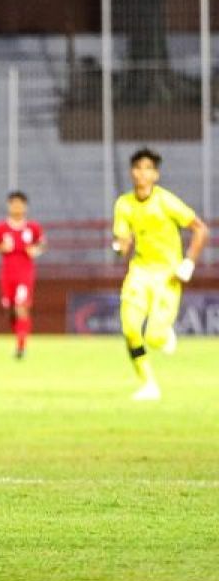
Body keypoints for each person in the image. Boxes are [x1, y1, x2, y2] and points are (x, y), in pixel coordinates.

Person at [111, 147, 209, 401]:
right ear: (131, 173)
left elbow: (200, 229)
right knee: (130, 328)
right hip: (140, 271)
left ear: (155, 174)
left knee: (153, 337)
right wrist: (120, 247)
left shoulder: (165, 201)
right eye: (137, 168)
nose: (141, 174)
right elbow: (123, 241)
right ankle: (148, 384)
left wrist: (188, 262)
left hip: (167, 275)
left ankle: (163, 335)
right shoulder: (124, 204)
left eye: (147, 169)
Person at [0, 191, 45, 359]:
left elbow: (42, 244)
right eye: (14, 204)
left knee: (21, 307)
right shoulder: (0, 228)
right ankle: (19, 335)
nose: (17, 207)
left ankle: (21, 347)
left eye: (20, 204)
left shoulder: (33, 228)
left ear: (25, 207)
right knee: (10, 310)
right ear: (9, 206)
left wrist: (35, 250)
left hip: (25, 274)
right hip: (7, 274)